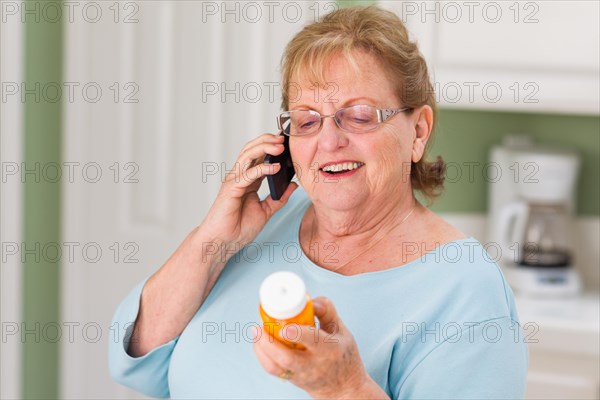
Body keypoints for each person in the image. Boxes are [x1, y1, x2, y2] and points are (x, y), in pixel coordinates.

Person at [109, 5, 528, 399]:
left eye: (360, 115)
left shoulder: (467, 292)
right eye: (307, 120)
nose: (329, 141)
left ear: (418, 131)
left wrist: (345, 388)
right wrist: (212, 239)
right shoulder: (262, 228)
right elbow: (138, 362)